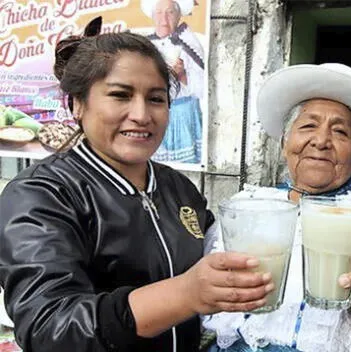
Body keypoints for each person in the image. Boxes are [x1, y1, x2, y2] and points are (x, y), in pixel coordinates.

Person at [0, 18, 273, 352]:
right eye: (120, 95)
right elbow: (50, 327)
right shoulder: (42, 194)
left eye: (156, 99)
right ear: (77, 104)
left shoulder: (179, 189)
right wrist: (185, 294)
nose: (142, 114)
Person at [202, 63, 351, 352]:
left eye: (340, 132)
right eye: (308, 126)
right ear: (285, 142)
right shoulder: (246, 208)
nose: (321, 141)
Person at [142, 0, 205, 163]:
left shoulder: (190, 43)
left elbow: (203, 88)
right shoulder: (144, 45)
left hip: (183, 115)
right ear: (153, 16)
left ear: (179, 16)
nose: (164, 18)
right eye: (159, 12)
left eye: (170, 12)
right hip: (154, 115)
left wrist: (182, 75)